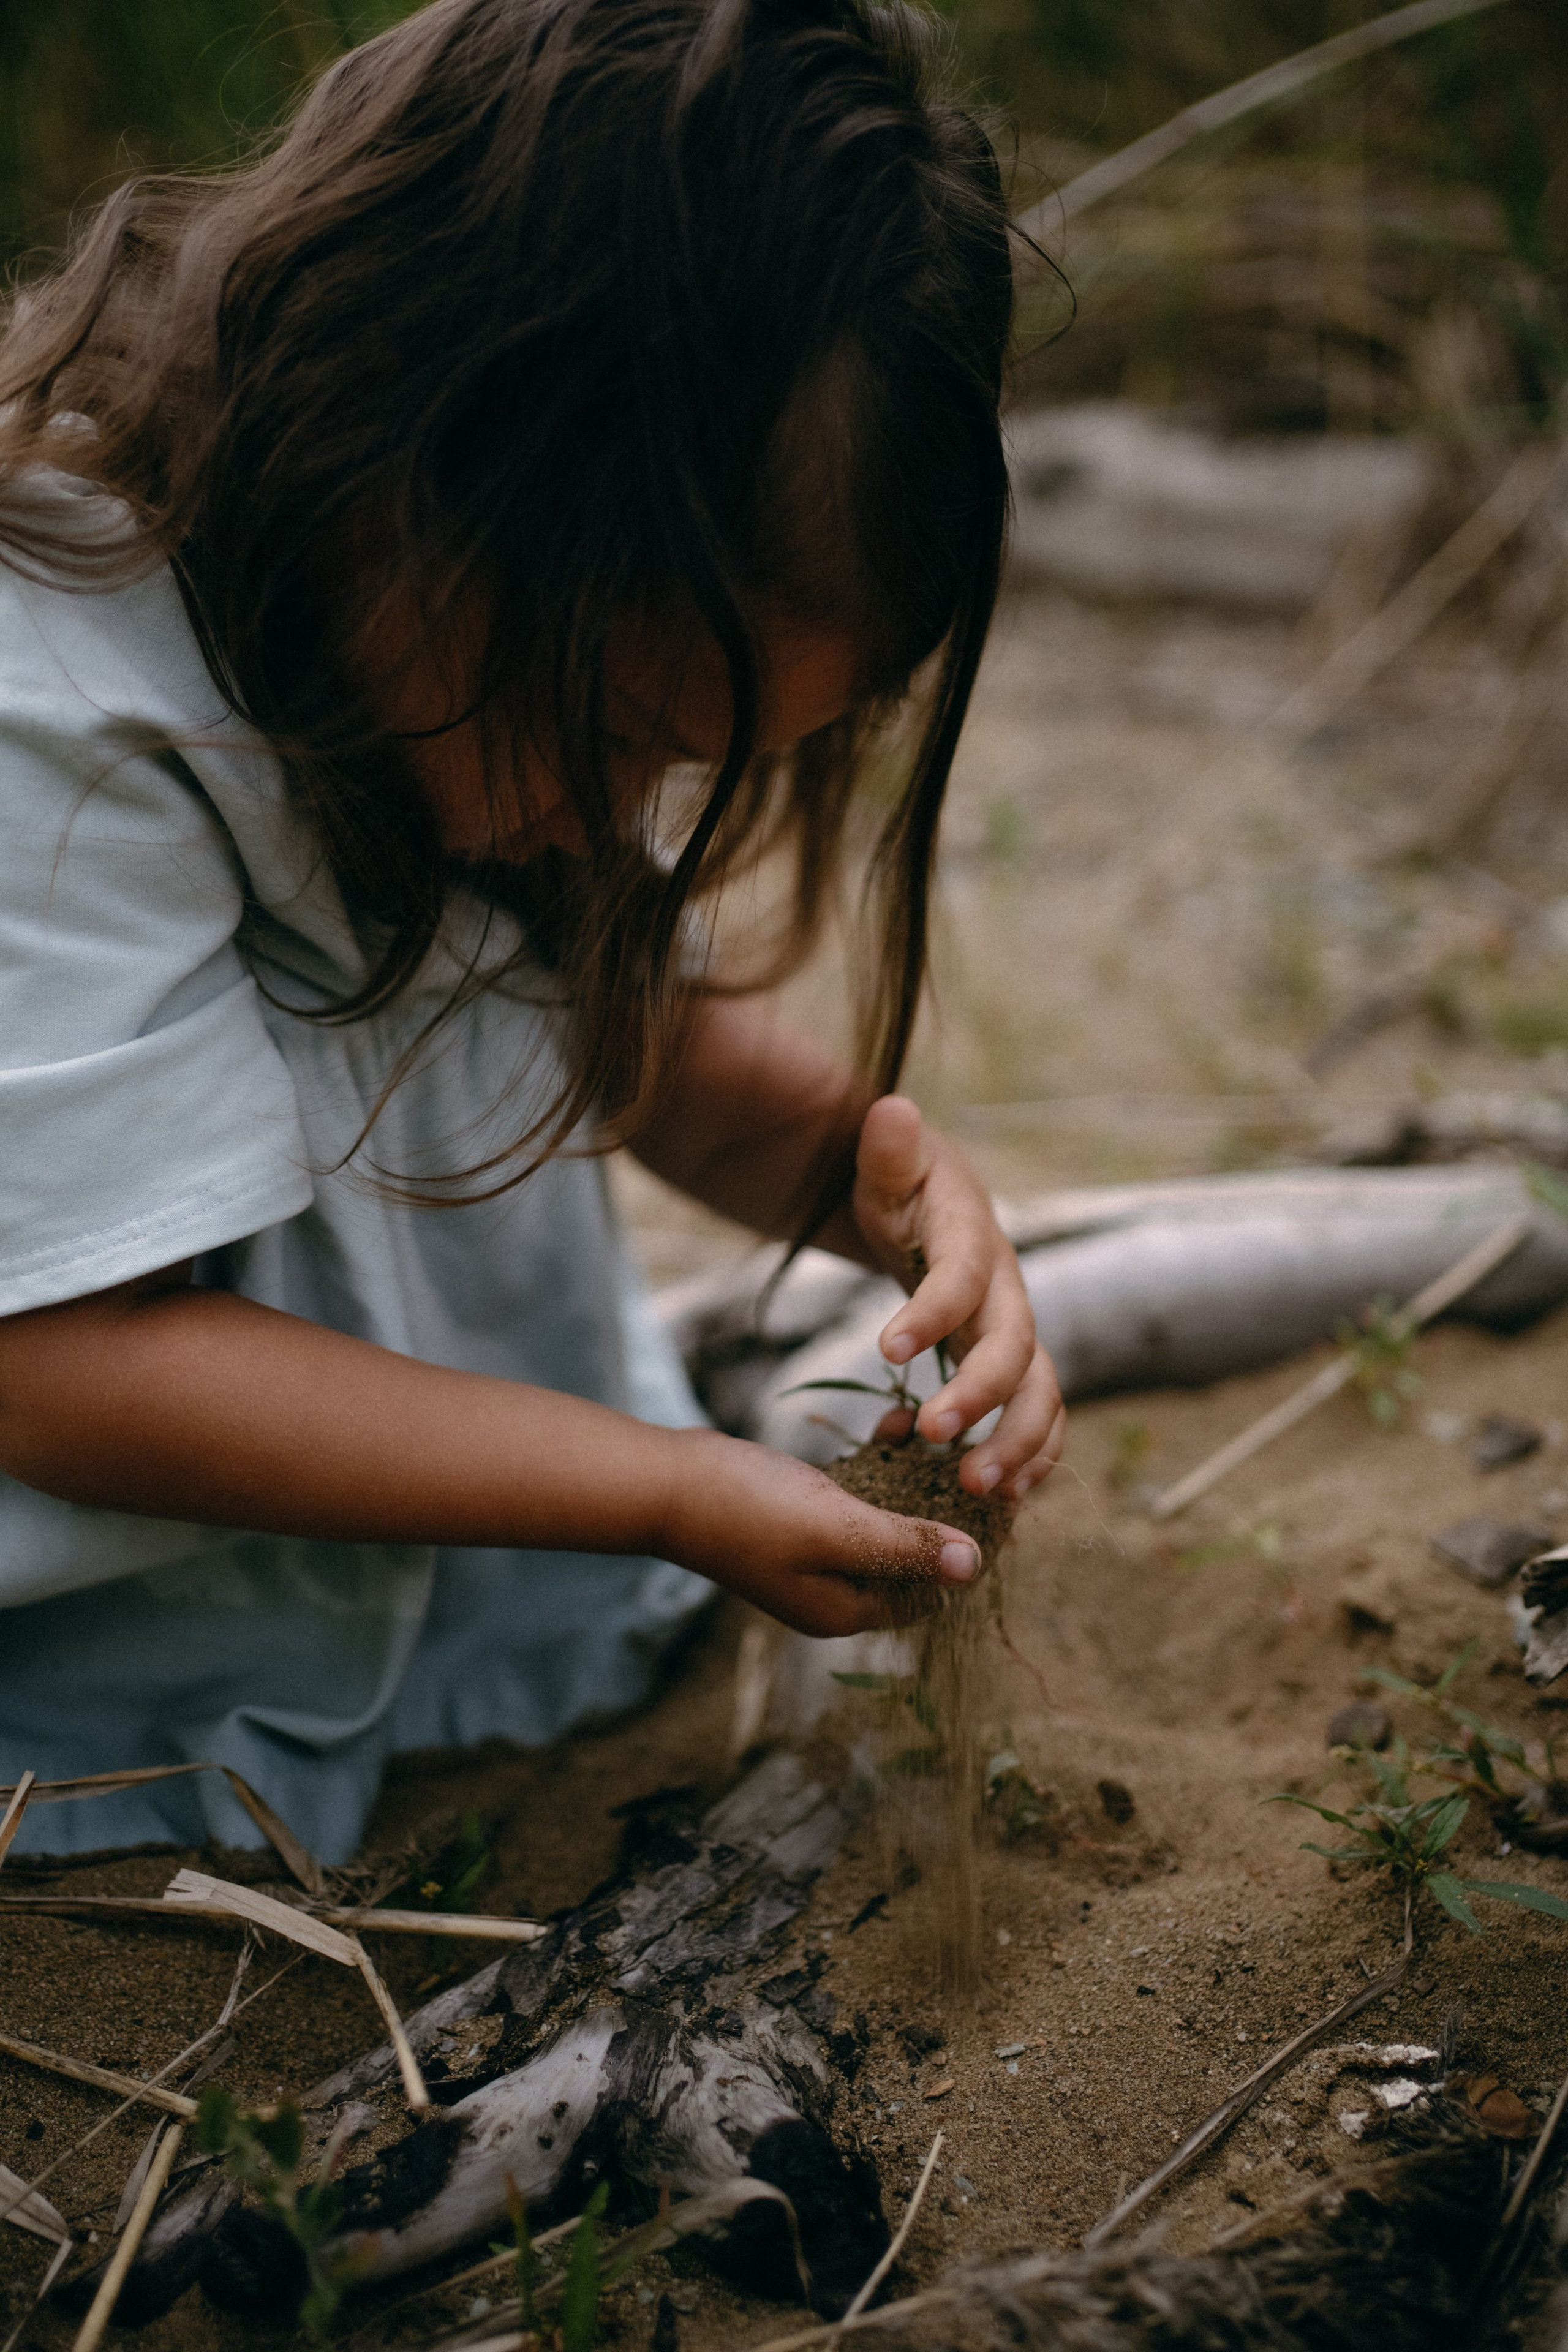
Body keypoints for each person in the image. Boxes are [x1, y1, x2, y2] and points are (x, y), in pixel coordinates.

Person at [0, 0, 1064, 1862]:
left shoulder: (416, 640)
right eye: (625, 739)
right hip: (95, 1719)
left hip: (455, 1662)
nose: (606, 822)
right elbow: (66, 1362)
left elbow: (631, 1051)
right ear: (432, 459)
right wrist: (667, 1490)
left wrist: (880, 1188)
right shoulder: (54, 694)